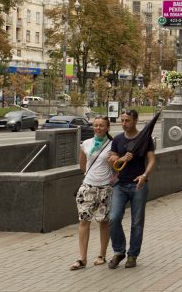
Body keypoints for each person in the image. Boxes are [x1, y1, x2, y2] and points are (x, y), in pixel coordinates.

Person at [107, 109, 155, 269]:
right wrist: (121, 158)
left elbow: (151, 159)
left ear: (135, 120)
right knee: (114, 218)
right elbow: (112, 161)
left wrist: (144, 175)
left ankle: (133, 255)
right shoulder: (118, 139)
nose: (124, 124)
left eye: (127, 120)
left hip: (138, 185)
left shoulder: (145, 139)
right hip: (120, 184)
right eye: (122, 120)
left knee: (137, 222)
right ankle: (119, 251)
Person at [70, 115, 114, 270]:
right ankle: (82, 258)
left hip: (105, 188)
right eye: (96, 125)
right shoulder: (86, 144)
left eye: (102, 125)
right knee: (83, 221)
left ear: (107, 127)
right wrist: (91, 176)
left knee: (104, 221)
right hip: (88, 187)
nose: (98, 128)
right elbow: (82, 165)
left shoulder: (113, 145)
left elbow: (116, 167)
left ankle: (102, 255)